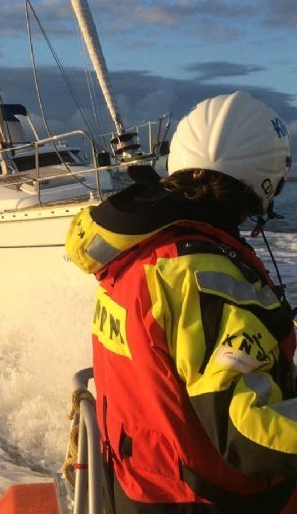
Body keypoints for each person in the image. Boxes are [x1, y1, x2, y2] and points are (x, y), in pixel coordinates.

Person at [66, 91, 295, 513]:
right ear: (262, 182)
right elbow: (247, 428)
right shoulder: (205, 277)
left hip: (136, 488)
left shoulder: (137, 253)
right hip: (206, 500)